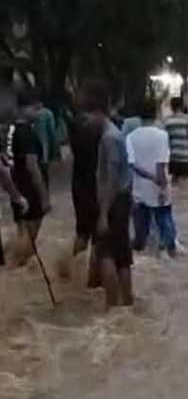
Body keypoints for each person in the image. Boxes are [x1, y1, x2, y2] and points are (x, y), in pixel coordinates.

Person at [86, 81, 134, 308]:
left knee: (106, 254)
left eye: (87, 117)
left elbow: (112, 178)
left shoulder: (109, 138)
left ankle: (111, 308)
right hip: (121, 200)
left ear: (97, 113)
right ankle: (126, 306)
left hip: (114, 202)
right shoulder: (113, 135)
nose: (86, 122)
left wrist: (103, 213)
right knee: (123, 257)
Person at [126, 99, 176, 258]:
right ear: (156, 114)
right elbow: (161, 163)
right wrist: (161, 184)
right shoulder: (162, 136)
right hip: (159, 185)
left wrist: (149, 177)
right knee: (164, 221)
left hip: (139, 190)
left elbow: (132, 164)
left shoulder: (131, 137)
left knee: (140, 236)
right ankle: (170, 250)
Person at [68, 94, 106, 287]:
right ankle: (93, 282)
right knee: (99, 237)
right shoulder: (101, 129)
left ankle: (71, 276)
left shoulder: (74, 125)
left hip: (78, 185)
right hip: (96, 185)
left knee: (82, 232)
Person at [9, 89, 51, 250]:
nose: (38, 113)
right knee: (29, 243)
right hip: (30, 192)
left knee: (21, 235)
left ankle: (14, 268)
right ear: (23, 108)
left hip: (17, 190)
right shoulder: (27, 134)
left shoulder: (10, 131)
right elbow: (32, 167)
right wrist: (44, 197)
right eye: (35, 109)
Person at [163, 97, 188, 183]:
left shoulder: (167, 121)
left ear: (172, 107)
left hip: (173, 156)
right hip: (185, 155)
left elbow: (166, 140)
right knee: (184, 183)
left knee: (174, 182)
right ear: (182, 106)